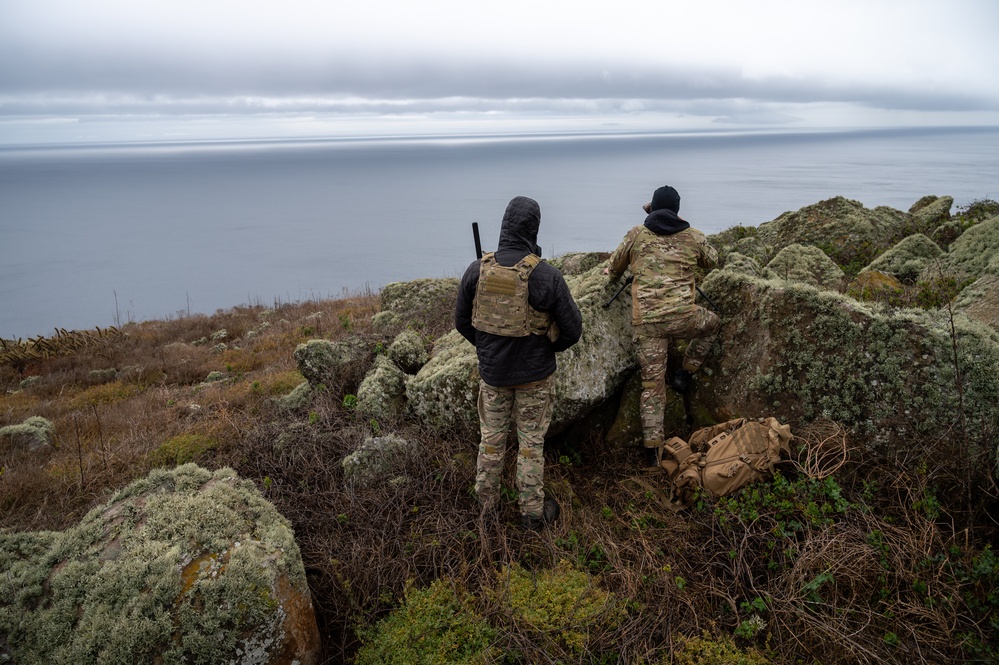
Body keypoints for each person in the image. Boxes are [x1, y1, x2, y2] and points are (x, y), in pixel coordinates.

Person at [455, 196, 583, 531]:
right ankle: (532, 513)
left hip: (493, 376)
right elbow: (573, 330)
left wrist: (486, 348)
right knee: (530, 445)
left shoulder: (475, 270)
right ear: (533, 229)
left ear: (504, 226)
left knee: (492, 440)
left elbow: (461, 323)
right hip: (534, 378)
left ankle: (486, 508)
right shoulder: (547, 277)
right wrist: (547, 347)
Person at [604, 185, 719, 461]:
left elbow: (614, 268)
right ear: (678, 211)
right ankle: (685, 372)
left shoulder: (637, 234)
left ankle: (652, 454)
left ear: (652, 208)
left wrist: (651, 216)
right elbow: (713, 260)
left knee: (652, 387)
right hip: (684, 319)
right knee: (713, 324)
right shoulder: (693, 237)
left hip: (649, 324)